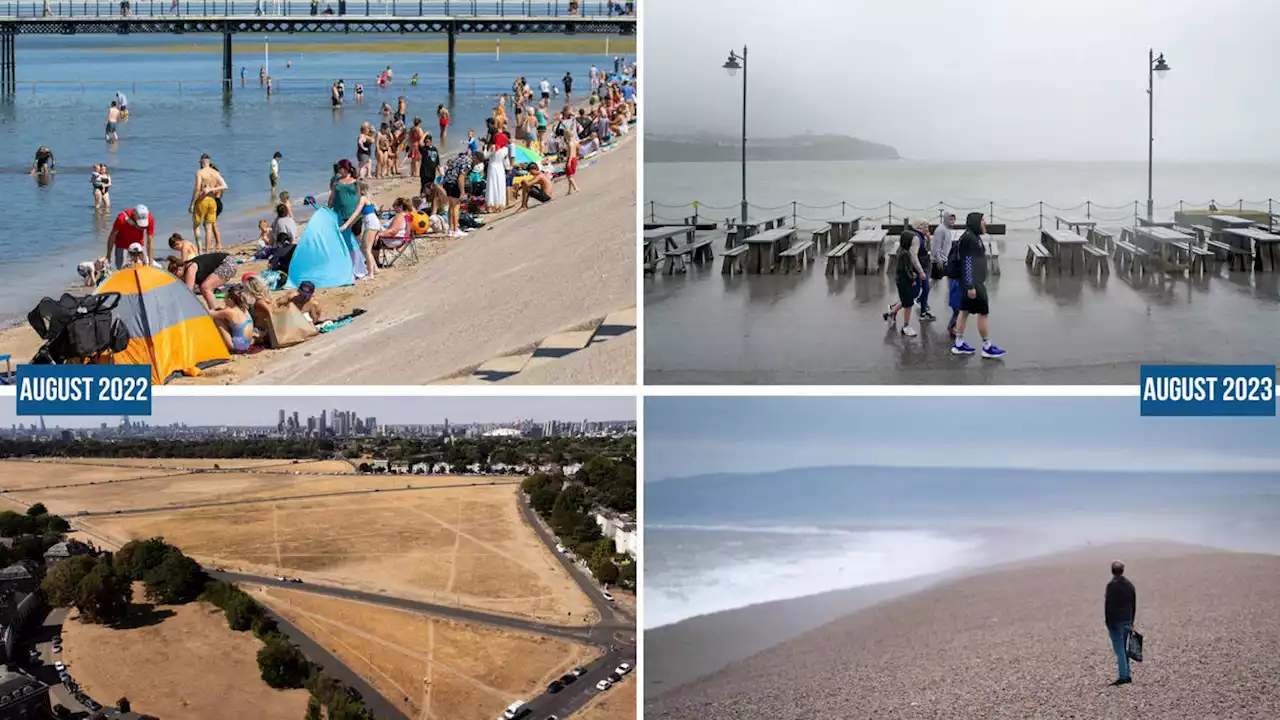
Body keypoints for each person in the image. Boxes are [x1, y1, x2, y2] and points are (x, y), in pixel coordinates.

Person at [951, 212, 1005, 358]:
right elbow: (967, 263)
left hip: (971, 281)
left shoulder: (973, 237)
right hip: (973, 282)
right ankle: (987, 346)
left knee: (964, 311)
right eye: (982, 221)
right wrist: (970, 286)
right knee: (983, 313)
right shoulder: (970, 239)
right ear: (975, 222)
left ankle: (959, 344)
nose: (984, 223)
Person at [882, 230, 924, 337]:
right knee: (908, 305)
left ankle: (890, 314)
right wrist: (913, 279)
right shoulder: (905, 254)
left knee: (905, 300)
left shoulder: (900, 250)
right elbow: (907, 270)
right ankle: (905, 326)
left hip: (900, 280)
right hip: (905, 281)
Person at [338, 179, 381, 280]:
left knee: (366, 249)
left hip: (371, 224)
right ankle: (375, 269)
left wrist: (345, 225)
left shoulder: (362, 198)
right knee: (365, 248)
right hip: (372, 223)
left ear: (359, 188)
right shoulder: (366, 198)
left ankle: (370, 274)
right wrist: (350, 225)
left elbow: (356, 213)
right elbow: (360, 215)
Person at [1105, 561, 1137, 686]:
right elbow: (1134, 604)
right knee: (1124, 648)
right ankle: (1126, 673)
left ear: (1112, 571)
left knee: (1120, 649)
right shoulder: (1129, 585)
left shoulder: (1111, 586)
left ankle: (1124, 676)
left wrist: (1108, 621)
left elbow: (1109, 605)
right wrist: (1132, 619)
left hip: (1116, 621)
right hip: (1127, 619)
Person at [169, 251, 236, 310]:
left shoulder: (190, 268)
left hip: (227, 262)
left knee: (205, 288)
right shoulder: (188, 267)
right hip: (227, 261)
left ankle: (215, 312)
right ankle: (214, 310)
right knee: (205, 288)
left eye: (175, 275)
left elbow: (188, 291)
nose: (176, 277)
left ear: (179, 269)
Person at [190, 154, 228, 252]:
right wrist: (212, 189)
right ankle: (207, 251)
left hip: (202, 200)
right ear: (209, 162)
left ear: (202, 163)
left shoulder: (200, 172)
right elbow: (225, 186)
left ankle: (200, 250)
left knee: (196, 226)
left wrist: (192, 203)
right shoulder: (215, 172)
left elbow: (198, 188)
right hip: (212, 201)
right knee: (209, 227)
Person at [442, 151, 481, 237]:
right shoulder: (468, 162)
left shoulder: (462, 157)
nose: (477, 164)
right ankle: (455, 230)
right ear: (475, 158)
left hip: (447, 181)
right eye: (478, 162)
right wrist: (462, 191)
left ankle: (450, 229)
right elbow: (461, 177)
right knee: (456, 206)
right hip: (453, 183)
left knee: (451, 206)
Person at [932, 212, 959, 335]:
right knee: (933, 280)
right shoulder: (940, 230)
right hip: (940, 261)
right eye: (950, 218)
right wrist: (938, 259)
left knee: (950, 279)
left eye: (954, 219)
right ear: (945, 219)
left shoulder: (948, 229)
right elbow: (936, 246)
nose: (952, 220)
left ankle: (951, 297)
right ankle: (921, 297)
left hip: (946, 260)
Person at [209, 286, 255, 354]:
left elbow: (209, 314)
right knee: (228, 321)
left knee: (218, 320)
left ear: (230, 299)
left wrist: (216, 309)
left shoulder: (230, 312)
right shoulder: (245, 310)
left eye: (225, 299)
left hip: (236, 347)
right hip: (248, 344)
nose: (224, 301)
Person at [106, 205, 154, 269]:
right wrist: (108, 256)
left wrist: (151, 262)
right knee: (121, 269)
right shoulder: (122, 218)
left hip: (139, 246)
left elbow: (149, 241)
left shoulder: (149, 219)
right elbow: (112, 237)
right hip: (122, 245)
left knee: (144, 267)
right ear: (134, 215)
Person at [910, 218, 935, 322]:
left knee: (926, 289)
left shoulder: (923, 237)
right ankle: (893, 309)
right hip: (918, 269)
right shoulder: (916, 238)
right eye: (925, 226)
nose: (927, 228)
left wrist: (929, 239)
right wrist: (920, 271)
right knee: (914, 293)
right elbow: (913, 255)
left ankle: (923, 312)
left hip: (925, 266)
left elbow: (928, 249)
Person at [486, 135, 509, 212]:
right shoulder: (505, 149)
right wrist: (508, 168)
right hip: (500, 168)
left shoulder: (493, 147)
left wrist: (486, 149)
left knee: (492, 186)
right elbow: (506, 161)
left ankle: (491, 206)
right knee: (500, 185)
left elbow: (485, 156)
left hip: (492, 167)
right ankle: (500, 205)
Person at [418, 132, 441, 197]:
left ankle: (429, 199)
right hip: (424, 172)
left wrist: (440, 172)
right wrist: (424, 134)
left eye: (428, 142)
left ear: (431, 142)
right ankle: (422, 200)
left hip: (432, 172)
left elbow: (437, 162)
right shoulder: (424, 149)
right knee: (424, 187)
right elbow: (420, 143)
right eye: (425, 142)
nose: (426, 143)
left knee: (431, 187)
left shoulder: (434, 149)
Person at [565, 131, 580, 195]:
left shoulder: (570, 143)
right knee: (569, 176)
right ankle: (569, 191)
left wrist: (569, 162)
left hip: (570, 159)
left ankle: (576, 187)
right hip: (574, 158)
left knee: (569, 176)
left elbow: (570, 153)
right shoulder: (574, 142)